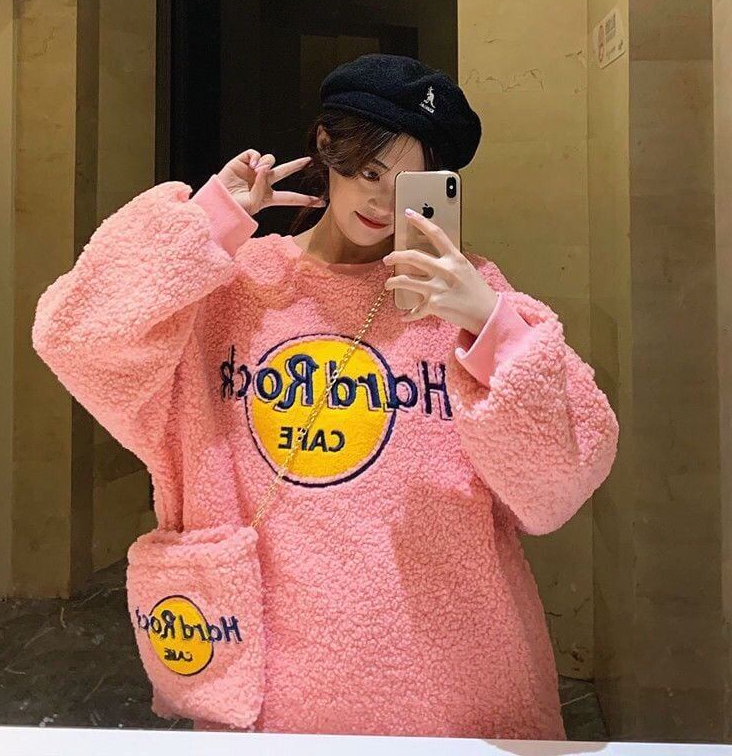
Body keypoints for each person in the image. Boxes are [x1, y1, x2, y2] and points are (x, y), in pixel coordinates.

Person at [31, 53, 619, 740]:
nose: (381, 203)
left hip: (453, 681)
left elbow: (560, 482)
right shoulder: (236, 286)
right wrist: (206, 223)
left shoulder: (464, 295)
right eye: (368, 172)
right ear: (326, 147)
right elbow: (77, 336)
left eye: (406, 184)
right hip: (277, 682)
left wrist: (492, 325)